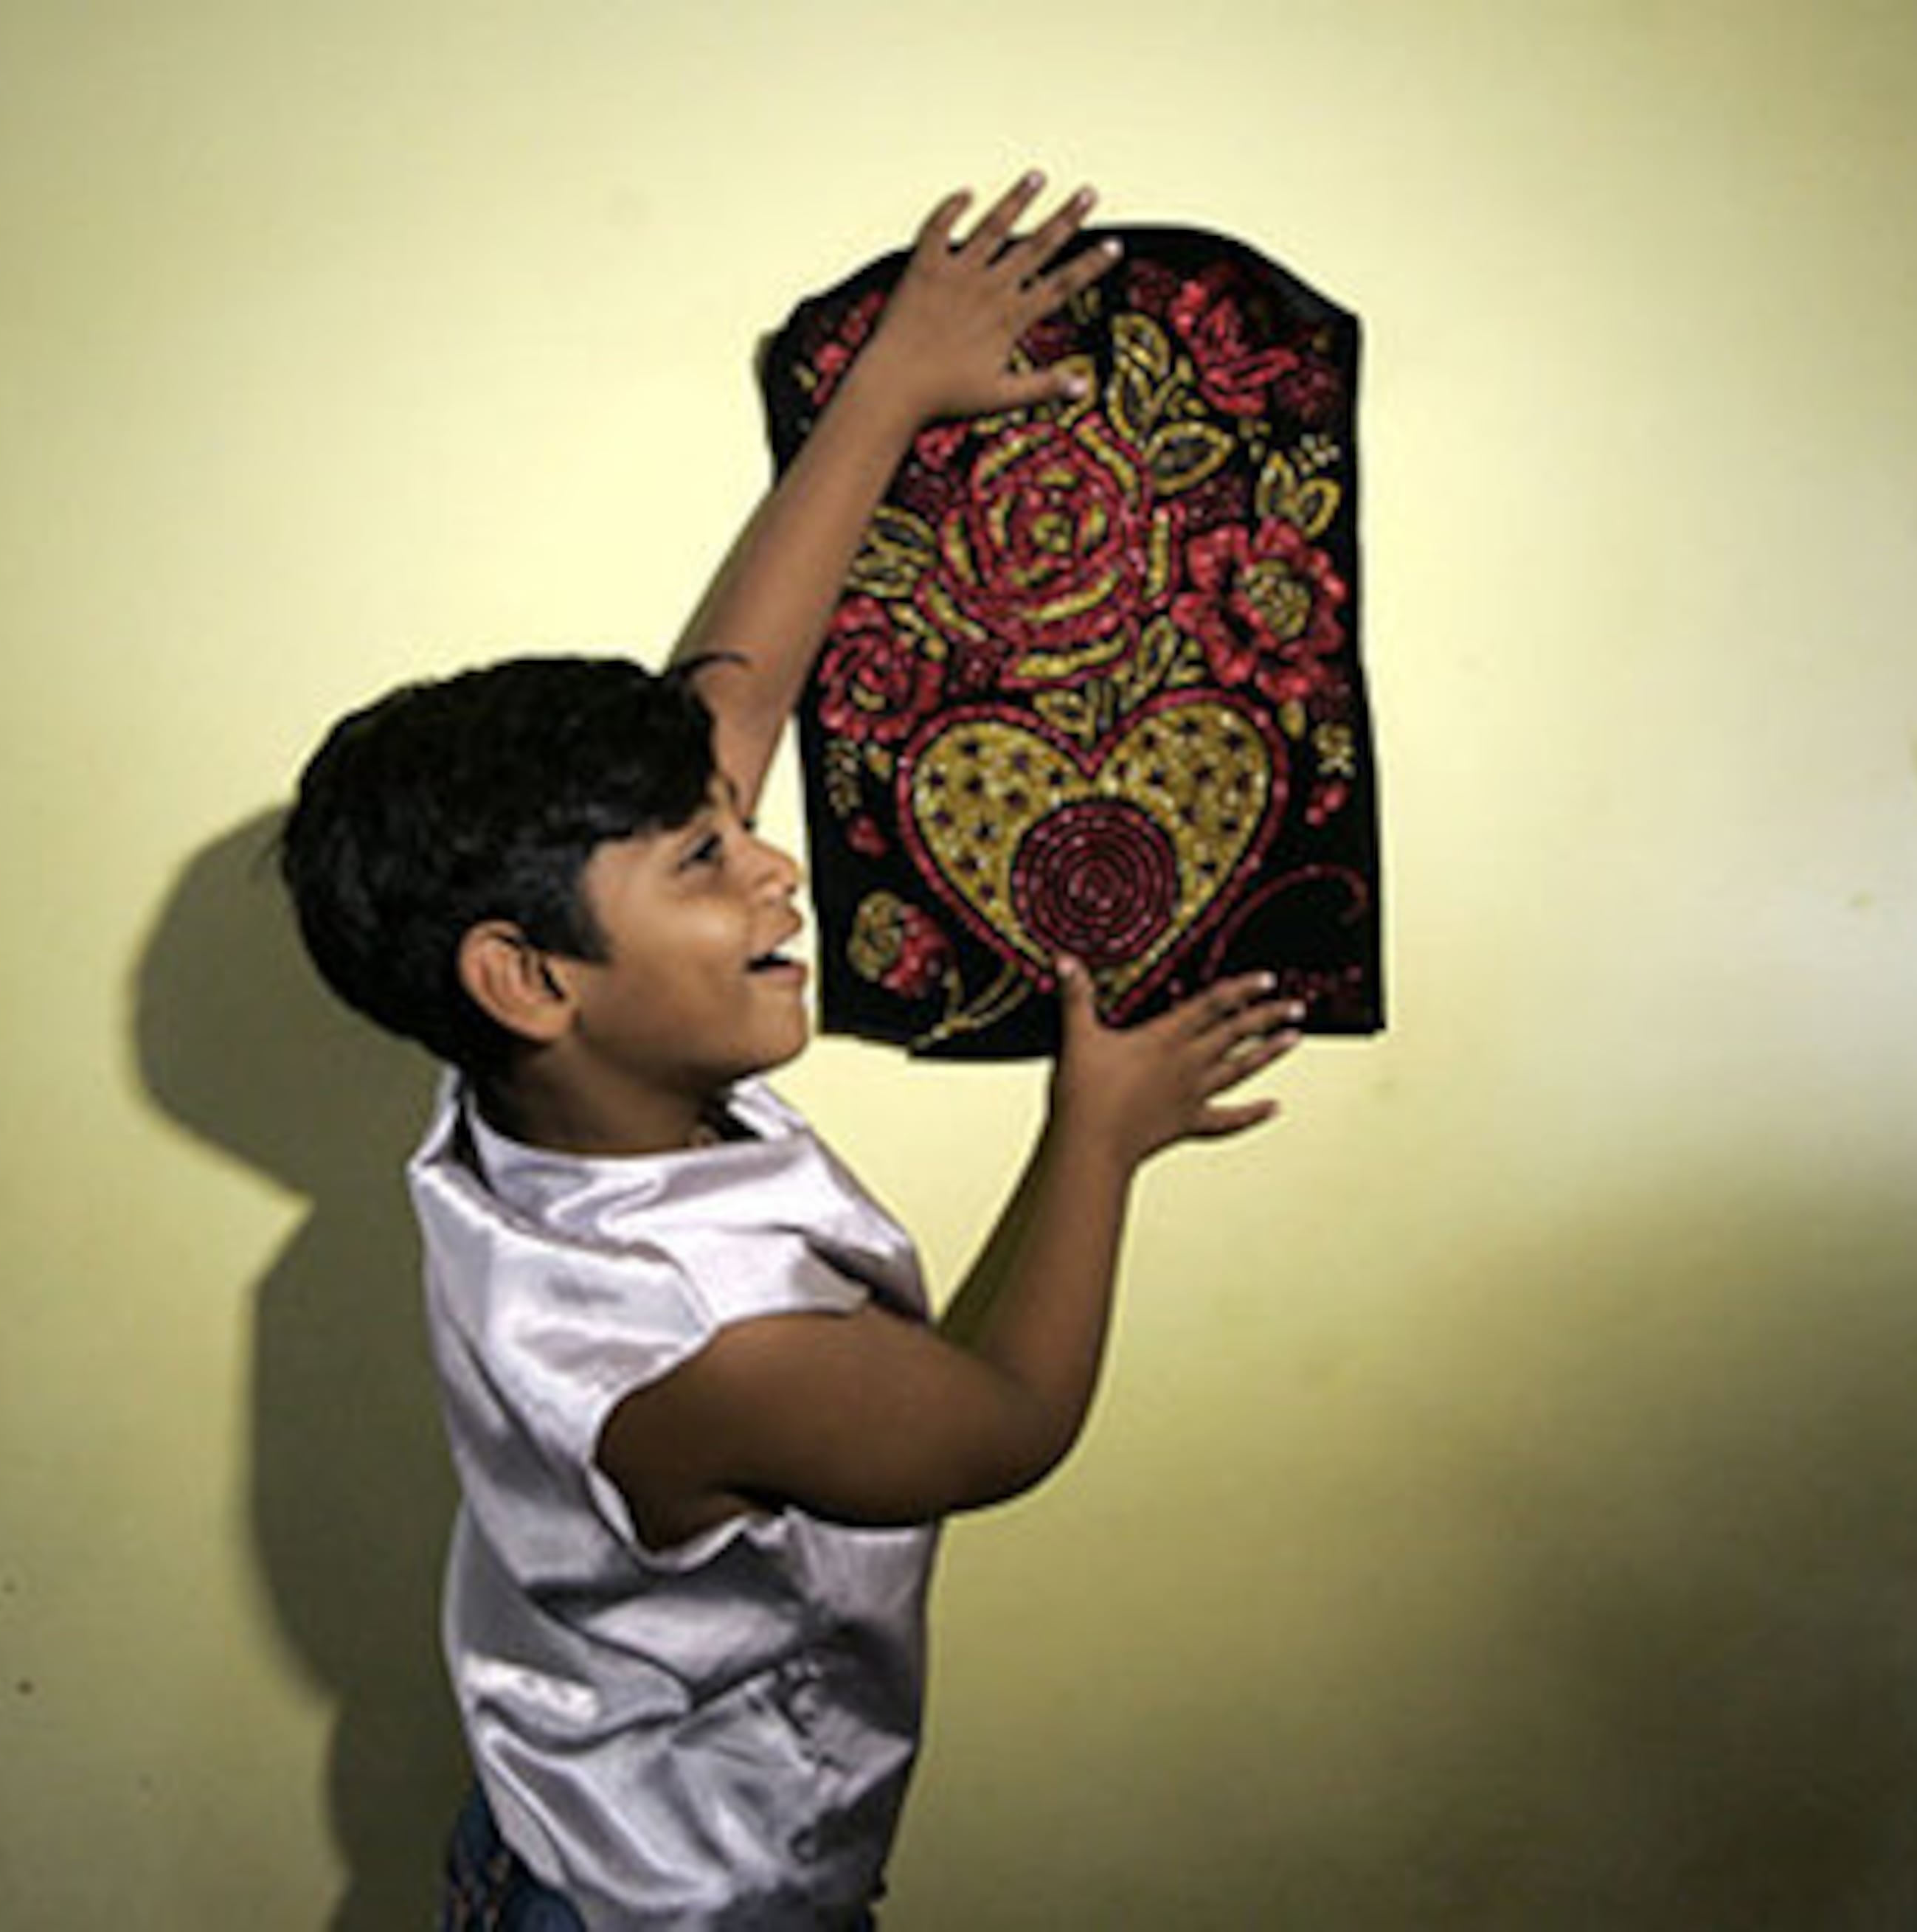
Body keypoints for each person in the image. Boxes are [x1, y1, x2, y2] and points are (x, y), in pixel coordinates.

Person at [280, 176, 1305, 1930]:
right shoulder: (707, 1346)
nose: (770, 857)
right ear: (531, 974)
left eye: (722, 824)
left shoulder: (532, 1091)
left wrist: (892, 385)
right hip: (691, 1908)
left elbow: (726, 703)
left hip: (555, 1839)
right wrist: (1103, 1136)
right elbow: (999, 1422)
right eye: (706, 856)